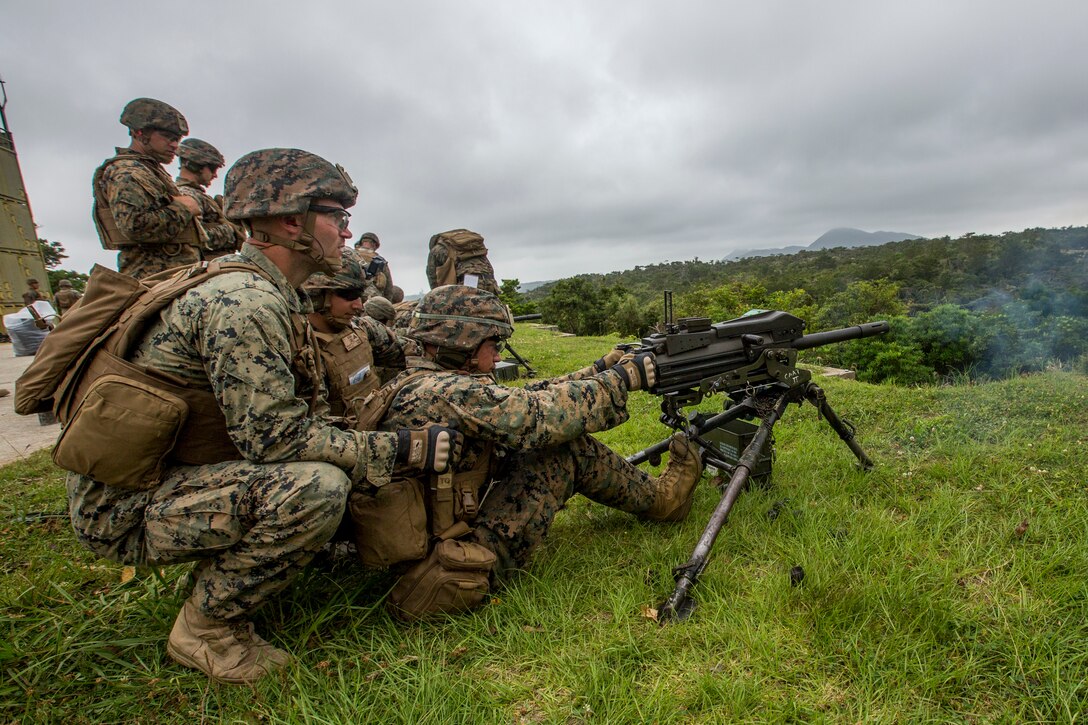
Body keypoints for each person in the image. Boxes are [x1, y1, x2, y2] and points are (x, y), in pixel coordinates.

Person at [65, 148, 460, 684]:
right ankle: (206, 628)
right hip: (126, 508)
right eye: (336, 217)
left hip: (171, 476)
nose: (347, 233)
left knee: (340, 456)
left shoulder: (271, 292)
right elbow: (277, 441)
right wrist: (403, 448)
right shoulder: (244, 303)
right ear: (291, 222)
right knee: (314, 487)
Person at [373, 285, 704, 620]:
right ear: (462, 341)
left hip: (440, 542)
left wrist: (598, 370)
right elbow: (537, 414)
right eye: (493, 345)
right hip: (448, 566)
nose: (500, 356)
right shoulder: (444, 392)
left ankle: (658, 500)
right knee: (563, 452)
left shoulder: (422, 378)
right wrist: (621, 380)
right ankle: (664, 501)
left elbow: (515, 397)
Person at [92, 98, 204, 279]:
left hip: (173, 276)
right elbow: (135, 225)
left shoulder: (149, 170)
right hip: (155, 279)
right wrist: (185, 207)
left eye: (177, 139)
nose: (175, 146)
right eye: (168, 137)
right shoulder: (127, 172)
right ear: (140, 133)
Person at [302, 247, 414, 417]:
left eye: (360, 296)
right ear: (317, 295)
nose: (358, 306)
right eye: (349, 295)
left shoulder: (362, 328)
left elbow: (412, 353)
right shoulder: (300, 349)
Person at [175, 138, 246, 260]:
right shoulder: (187, 195)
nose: (215, 175)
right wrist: (232, 230)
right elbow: (194, 236)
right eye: (212, 168)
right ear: (195, 166)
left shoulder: (198, 195)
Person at [425, 228, 500, 294]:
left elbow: (433, 281)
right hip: (490, 284)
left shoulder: (436, 250)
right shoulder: (473, 245)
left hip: (465, 288)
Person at [353, 232, 401, 303]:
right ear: (375, 245)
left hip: (350, 295)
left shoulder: (350, 254)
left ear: (361, 242)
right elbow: (388, 289)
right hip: (372, 299)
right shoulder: (380, 261)